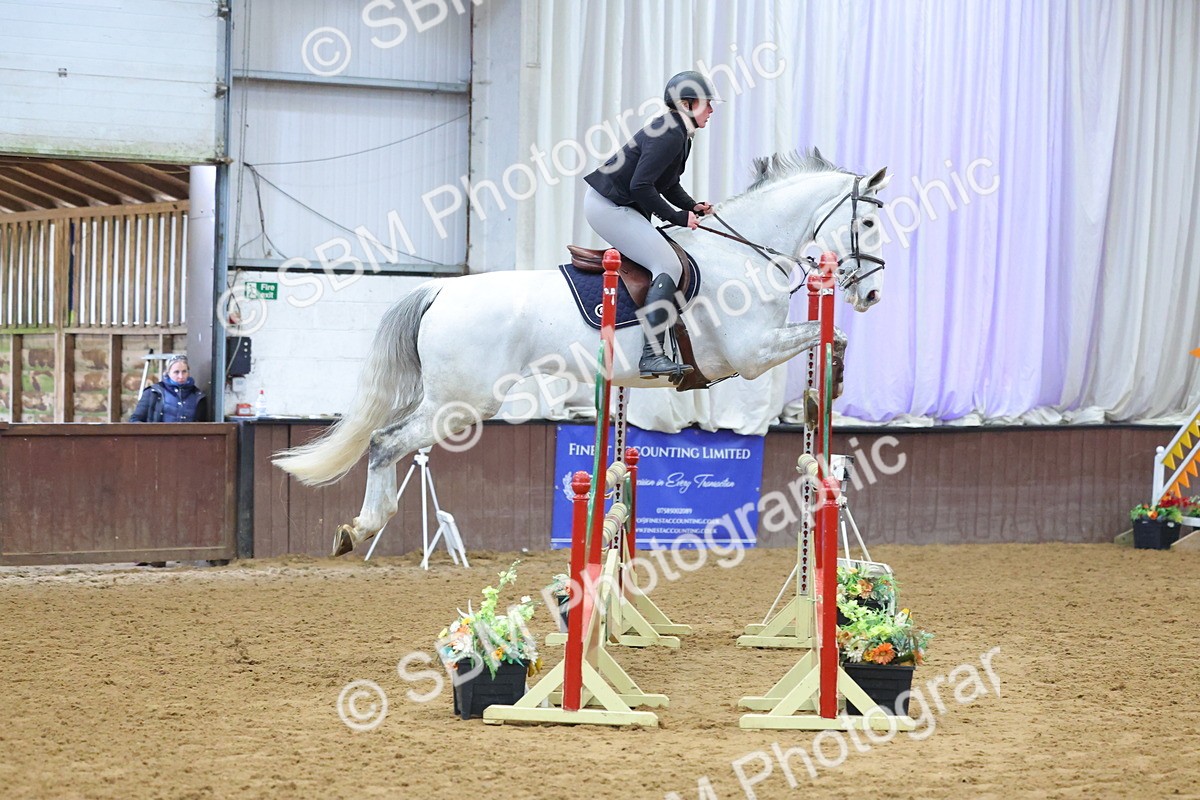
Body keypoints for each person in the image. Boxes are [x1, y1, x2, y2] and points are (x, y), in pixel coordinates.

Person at [583, 70, 719, 382]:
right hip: (609, 205)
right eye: (706, 104)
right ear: (686, 104)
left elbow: (668, 183)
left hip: (618, 203)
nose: (711, 110)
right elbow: (641, 185)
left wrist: (691, 205)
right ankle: (652, 355)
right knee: (668, 264)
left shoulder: (680, 134)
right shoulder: (670, 131)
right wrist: (677, 217)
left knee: (667, 260)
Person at [130, 355, 208, 422]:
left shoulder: (198, 396)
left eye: (184, 371)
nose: (181, 376)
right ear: (168, 373)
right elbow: (135, 420)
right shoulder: (153, 392)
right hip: (158, 438)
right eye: (176, 372)